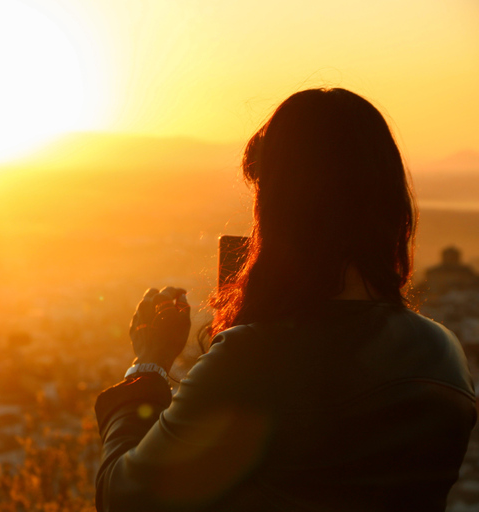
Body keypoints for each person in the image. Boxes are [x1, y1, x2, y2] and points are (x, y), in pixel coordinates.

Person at [95, 88, 476, 511]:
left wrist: (147, 368)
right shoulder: (444, 355)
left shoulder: (255, 358)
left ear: (281, 211)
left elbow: (124, 495)